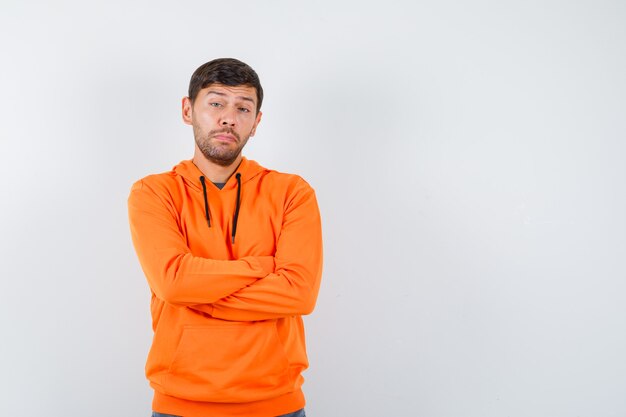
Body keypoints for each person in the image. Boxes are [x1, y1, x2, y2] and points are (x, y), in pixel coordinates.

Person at [128, 58, 323, 417]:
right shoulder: (153, 192)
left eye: (243, 108)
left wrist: (199, 296)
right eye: (216, 103)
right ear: (188, 110)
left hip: (277, 404)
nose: (229, 118)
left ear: (256, 122)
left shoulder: (292, 192)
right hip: (179, 405)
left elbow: (299, 292)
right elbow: (173, 283)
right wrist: (261, 267)